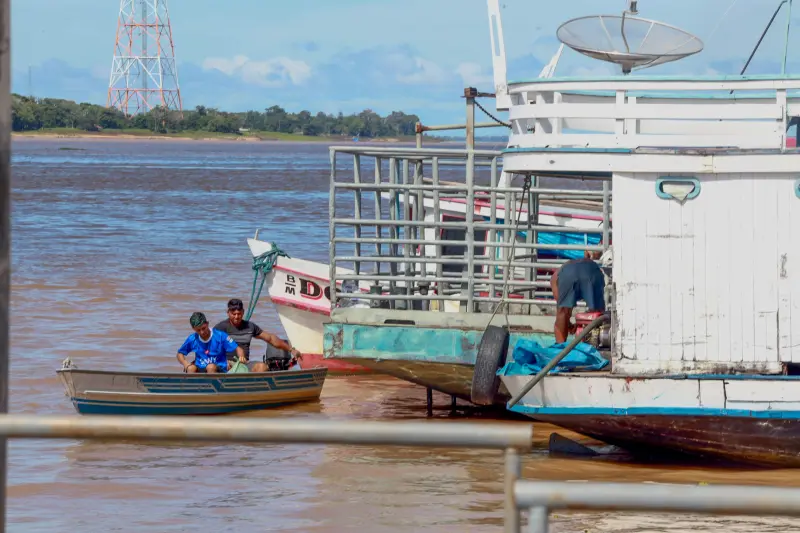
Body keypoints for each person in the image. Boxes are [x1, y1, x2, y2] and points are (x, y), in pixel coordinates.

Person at [214, 298, 302, 372]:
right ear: (228, 313)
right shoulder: (220, 328)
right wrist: (222, 361)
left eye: (239, 314)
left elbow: (270, 338)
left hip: (244, 364)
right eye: (234, 314)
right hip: (226, 363)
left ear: (243, 312)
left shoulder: (250, 327)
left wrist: (291, 350)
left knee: (262, 367)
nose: (237, 317)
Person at [550, 249, 606, 344]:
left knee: (562, 312)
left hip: (569, 274)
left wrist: (568, 324)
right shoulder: (591, 264)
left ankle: (560, 347)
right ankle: (597, 341)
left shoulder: (555, 277)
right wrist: (575, 325)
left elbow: (563, 310)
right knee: (597, 312)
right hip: (591, 273)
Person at [176, 311, 245, 373]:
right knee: (190, 368)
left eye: (203, 328)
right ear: (193, 329)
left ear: (207, 324)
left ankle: (212, 386)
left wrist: (241, 357)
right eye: (198, 330)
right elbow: (180, 354)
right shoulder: (192, 338)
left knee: (210, 367)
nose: (202, 332)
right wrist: (185, 363)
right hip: (200, 368)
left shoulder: (220, 335)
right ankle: (192, 386)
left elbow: (238, 348)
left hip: (219, 368)